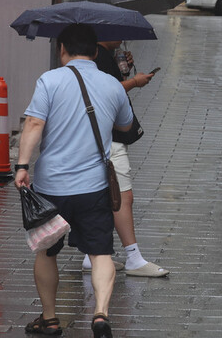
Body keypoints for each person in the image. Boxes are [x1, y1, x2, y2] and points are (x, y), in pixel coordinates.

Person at [15, 24, 133, 337]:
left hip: (51, 186)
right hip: (94, 187)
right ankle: (100, 315)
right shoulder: (112, 85)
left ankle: (51, 319)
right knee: (100, 253)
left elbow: (34, 123)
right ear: (96, 52)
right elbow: (125, 125)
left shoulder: (49, 80)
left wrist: (22, 165)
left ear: (62, 49)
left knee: (47, 251)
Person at [81, 40, 169, 277]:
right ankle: (133, 258)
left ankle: (93, 255)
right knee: (122, 195)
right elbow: (102, 92)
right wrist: (133, 82)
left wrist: (124, 70)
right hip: (108, 135)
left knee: (101, 193)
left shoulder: (102, 54)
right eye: (116, 32)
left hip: (95, 134)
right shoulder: (96, 55)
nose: (121, 38)